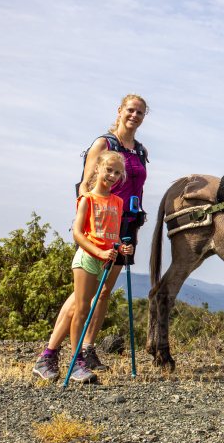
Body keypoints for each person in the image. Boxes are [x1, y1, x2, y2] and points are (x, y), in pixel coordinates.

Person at [33, 94, 149, 381]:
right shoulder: (103, 144)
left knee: (105, 291)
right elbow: (85, 185)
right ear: (120, 111)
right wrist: (89, 224)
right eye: (130, 110)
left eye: (140, 113)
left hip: (125, 226)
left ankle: (86, 349)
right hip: (98, 229)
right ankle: (49, 355)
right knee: (83, 296)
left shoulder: (140, 150)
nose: (134, 116)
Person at [34, 150, 134, 383]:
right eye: (109, 170)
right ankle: (76, 362)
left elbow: (112, 235)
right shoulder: (87, 199)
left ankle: (54, 359)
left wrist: (122, 248)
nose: (112, 176)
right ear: (97, 169)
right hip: (87, 259)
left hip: (104, 261)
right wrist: (99, 252)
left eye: (117, 173)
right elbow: (78, 234)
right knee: (81, 310)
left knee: (84, 308)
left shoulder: (118, 202)